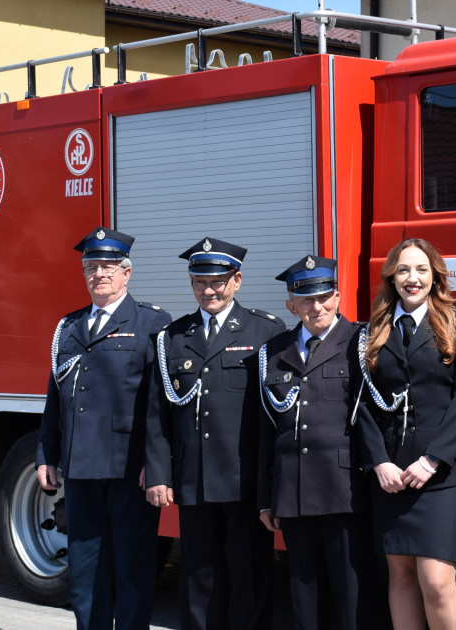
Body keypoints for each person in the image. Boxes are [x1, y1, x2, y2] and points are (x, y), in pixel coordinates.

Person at [144, 237, 285, 630]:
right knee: (199, 580)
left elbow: (276, 415)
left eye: (218, 281)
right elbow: (158, 413)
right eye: (199, 282)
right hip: (195, 482)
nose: (208, 291)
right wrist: (158, 474)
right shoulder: (172, 338)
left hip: (244, 482)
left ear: (236, 280)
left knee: (248, 578)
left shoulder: (265, 331)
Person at [37, 227, 170, 630]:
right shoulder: (69, 327)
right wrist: (47, 454)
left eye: (108, 267)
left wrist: (157, 466)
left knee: (132, 570)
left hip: (129, 471)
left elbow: (159, 405)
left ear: (126, 273)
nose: (99, 274)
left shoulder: (152, 323)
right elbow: (55, 398)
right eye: (91, 267)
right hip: (81, 472)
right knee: (84, 574)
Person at [257, 254, 388, 630]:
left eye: (324, 296)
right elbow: (267, 429)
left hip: (345, 492)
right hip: (294, 492)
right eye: (306, 299)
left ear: (338, 296)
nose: (317, 307)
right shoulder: (273, 351)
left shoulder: (362, 343)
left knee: (353, 598)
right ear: (291, 305)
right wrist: (267, 497)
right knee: (304, 599)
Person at [355, 238, 456, 630]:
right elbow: (362, 403)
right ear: (392, 277)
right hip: (391, 477)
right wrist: (378, 462)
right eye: (403, 270)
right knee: (401, 577)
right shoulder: (373, 330)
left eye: (421, 269)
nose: (412, 278)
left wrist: (434, 458)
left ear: (434, 275)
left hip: (440, 474)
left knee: (437, 581)